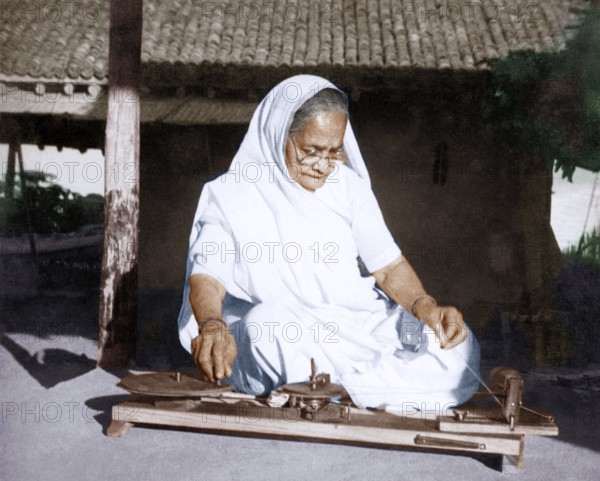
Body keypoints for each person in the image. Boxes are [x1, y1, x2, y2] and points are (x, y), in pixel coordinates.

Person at [177, 74, 480, 411]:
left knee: (459, 348)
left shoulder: (349, 188)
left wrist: (427, 308)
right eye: (311, 151)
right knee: (262, 327)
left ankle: (340, 389)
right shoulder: (233, 193)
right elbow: (207, 276)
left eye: (334, 151)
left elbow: (389, 267)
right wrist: (212, 323)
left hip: (357, 327)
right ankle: (369, 390)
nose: (323, 165)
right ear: (280, 132)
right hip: (290, 330)